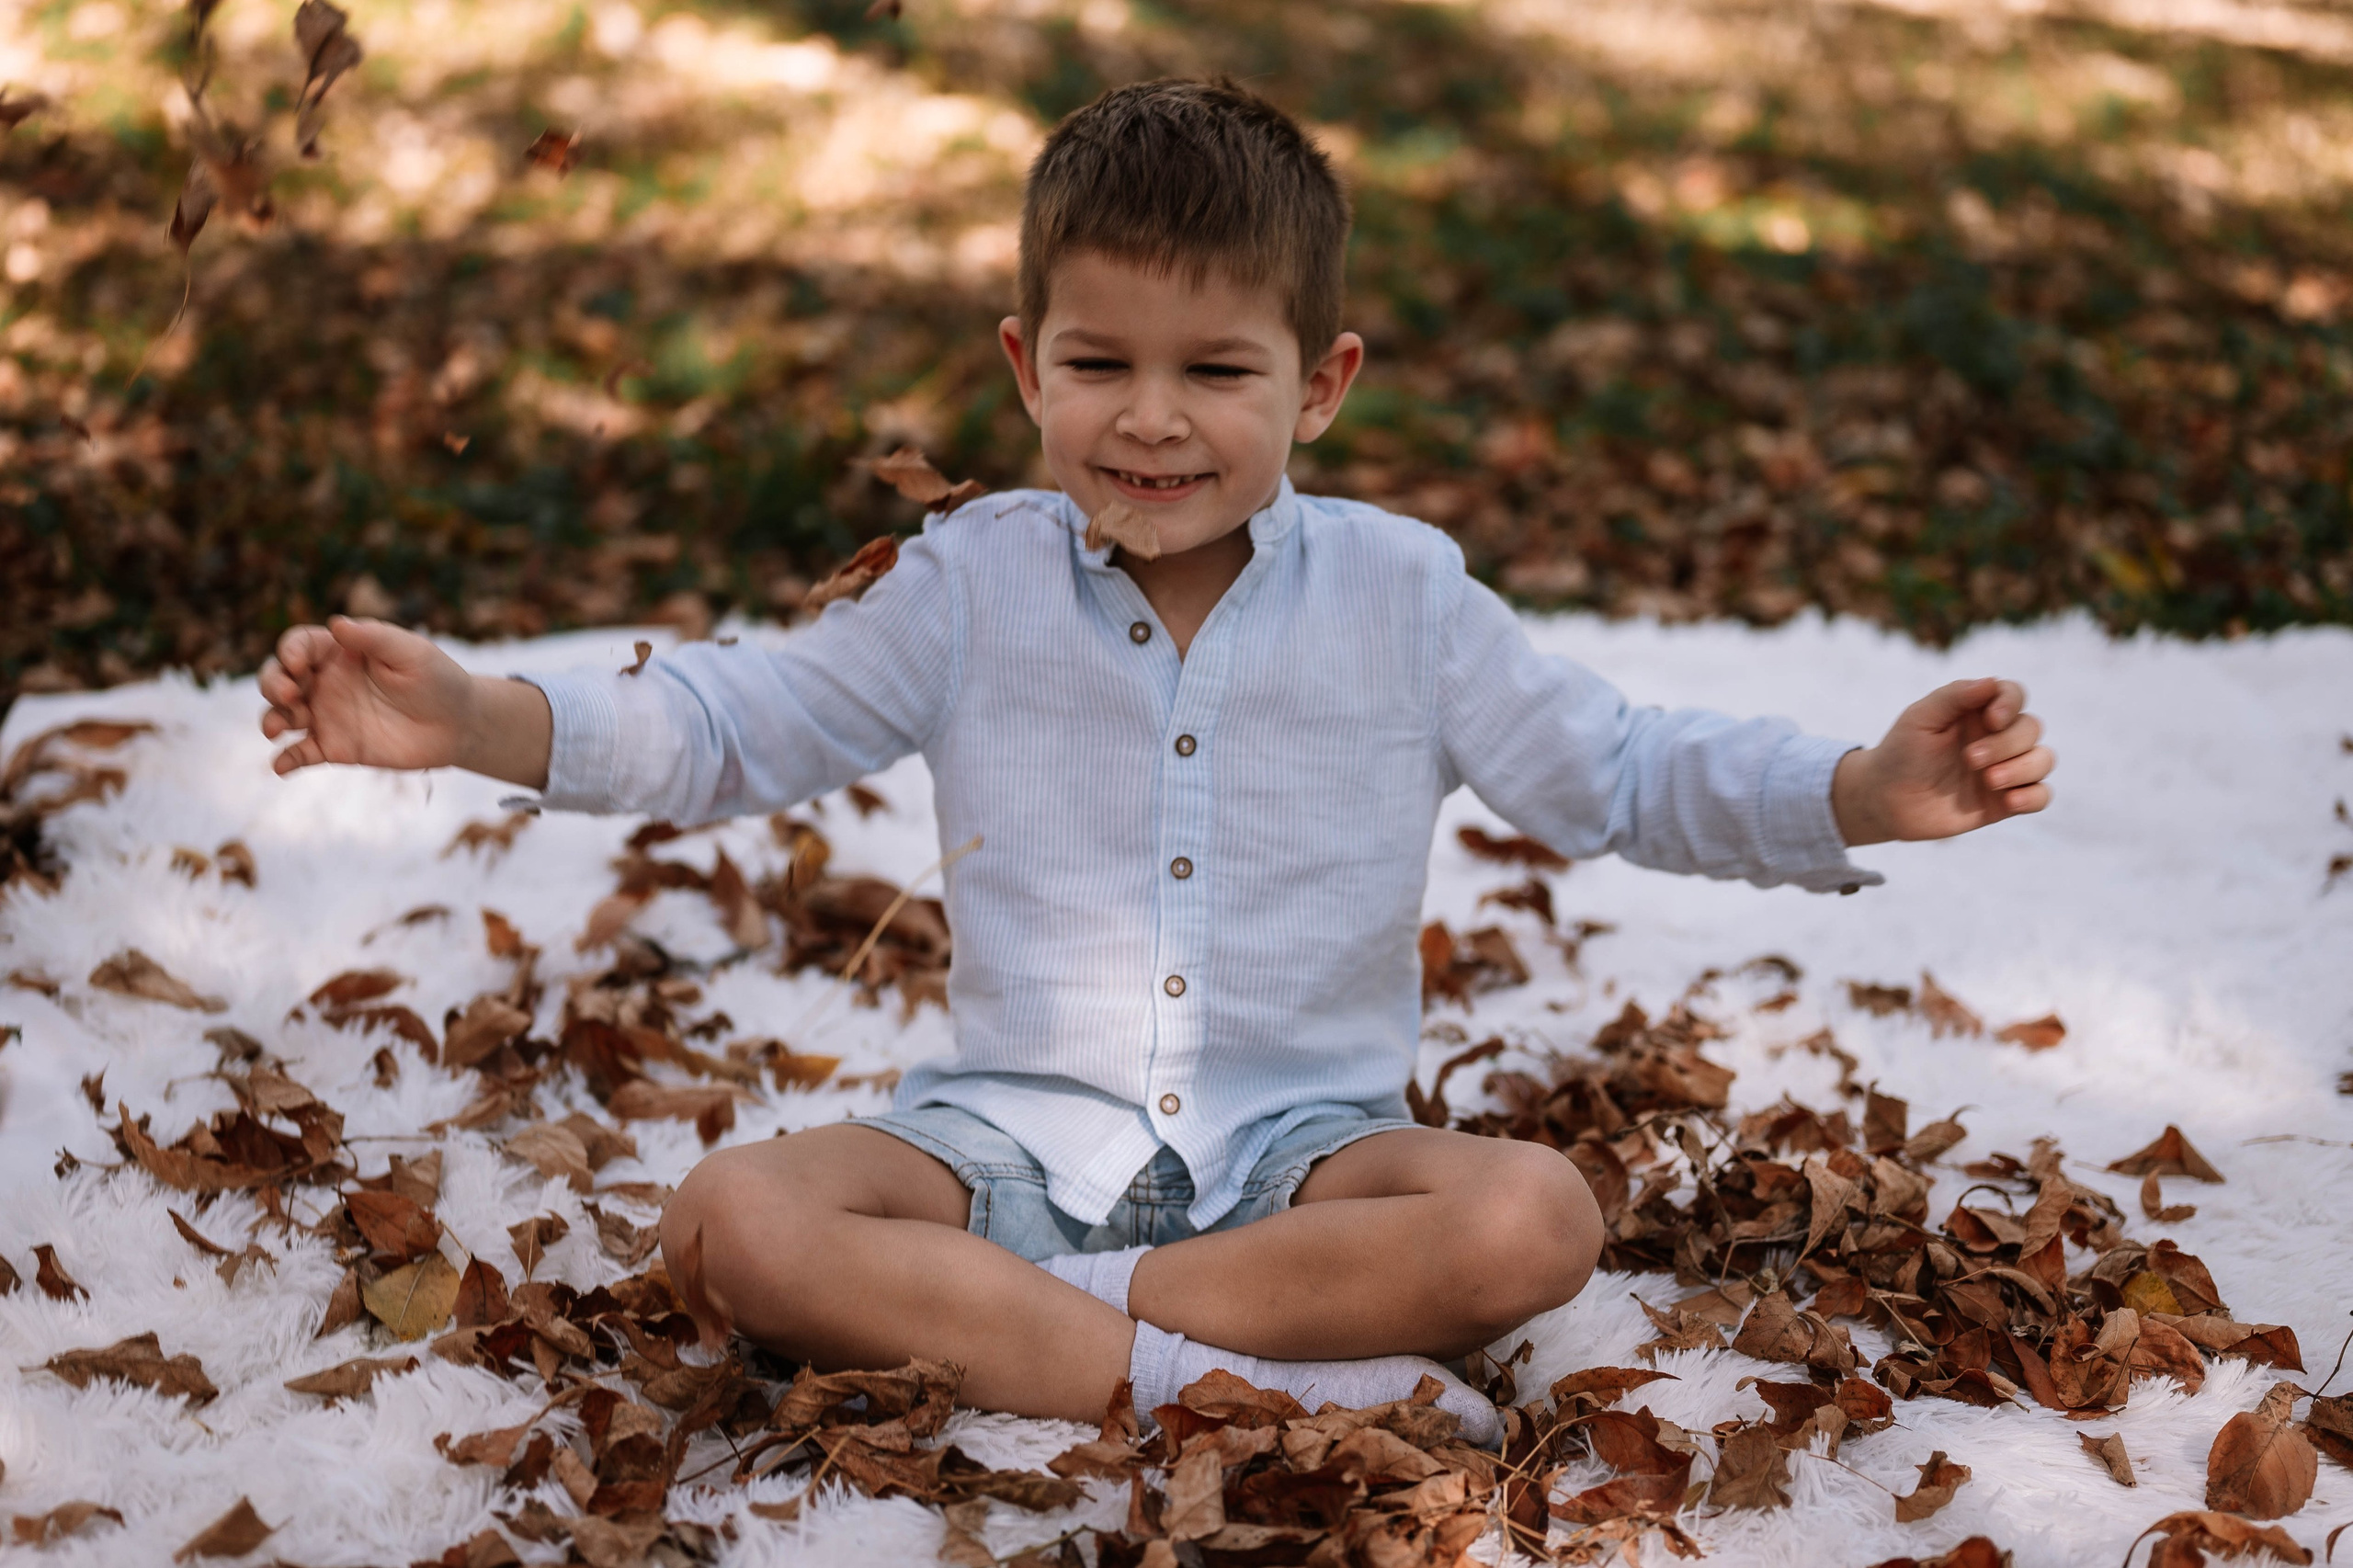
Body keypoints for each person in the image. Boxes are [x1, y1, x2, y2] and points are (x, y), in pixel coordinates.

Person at [257, 78, 2055, 1443]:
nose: (1149, 416)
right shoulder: (964, 586)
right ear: (1024, 363)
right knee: (733, 1215)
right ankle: (1216, 1381)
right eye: (1099, 361)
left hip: (1305, 1161)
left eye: (1215, 370)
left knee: (1532, 1213)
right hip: (1005, 1146)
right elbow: (734, 725)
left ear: (1320, 383)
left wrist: (1854, 790)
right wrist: (480, 718)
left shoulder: (1403, 600)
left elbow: (1621, 767)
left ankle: (1040, 1331)